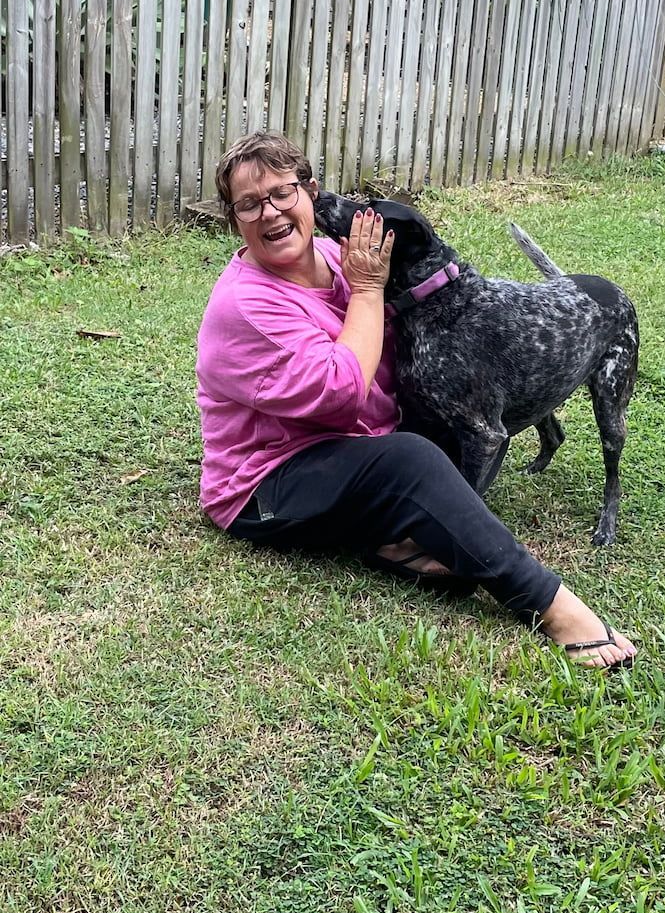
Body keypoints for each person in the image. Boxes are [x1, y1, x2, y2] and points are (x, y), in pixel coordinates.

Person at [195, 131, 637, 671]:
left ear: (310, 192)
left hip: (356, 452)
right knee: (413, 460)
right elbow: (341, 394)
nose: (269, 212)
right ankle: (552, 605)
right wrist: (366, 291)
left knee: (444, 434)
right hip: (268, 486)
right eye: (249, 204)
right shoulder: (246, 305)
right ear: (235, 220)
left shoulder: (340, 258)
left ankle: (400, 543)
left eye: (282, 193)